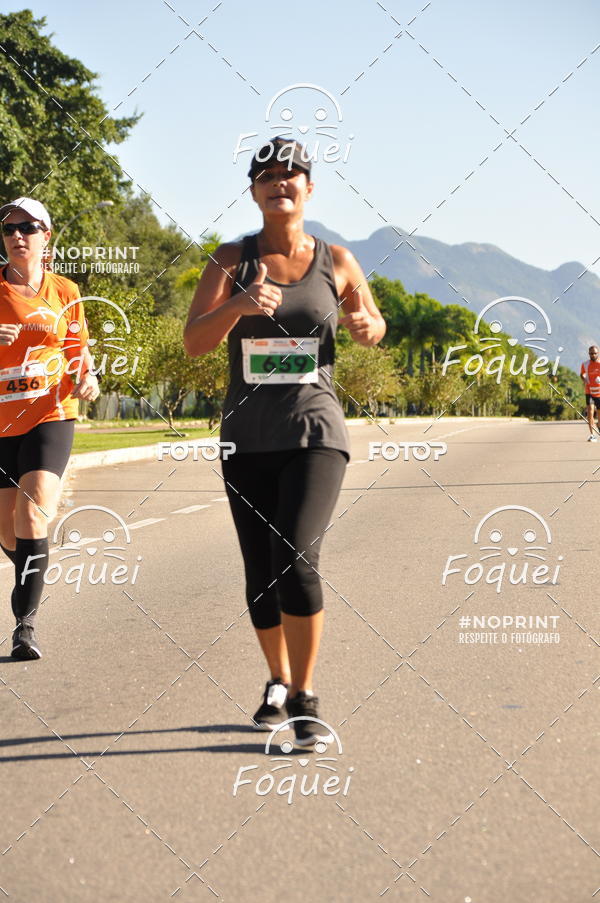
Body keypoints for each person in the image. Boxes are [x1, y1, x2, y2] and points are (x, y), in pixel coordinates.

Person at [184, 138, 386, 746]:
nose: (280, 183)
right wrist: (241, 305)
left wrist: (365, 325)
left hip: (315, 429)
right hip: (246, 436)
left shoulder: (339, 260)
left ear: (309, 188)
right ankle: (275, 679)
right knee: (261, 571)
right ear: (253, 191)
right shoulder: (229, 259)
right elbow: (194, 341)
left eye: (291, 174)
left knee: (297, 556)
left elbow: (372, 326)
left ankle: (304, 695)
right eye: (267, 176)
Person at [0, 197, 99, 659]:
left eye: (27, 227)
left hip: (50, 414)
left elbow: (78, 347)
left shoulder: (65, 291)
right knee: (8, 532)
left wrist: (88, 375)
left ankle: (25, 626)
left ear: (46, 236)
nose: (17, 235)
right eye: (9, 229)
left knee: (32, 514)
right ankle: (31, 567)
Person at [580, 345, 600, 441]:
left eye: (595, 353)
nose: (593, 355)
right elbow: (582, 374)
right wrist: (584, 380)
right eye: (591, 353)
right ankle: (592, 435)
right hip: (589, 391)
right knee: (590, 413)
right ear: (589, 354)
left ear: (598, 353)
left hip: (599, 392)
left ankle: (598, 425)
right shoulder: (585, 364)